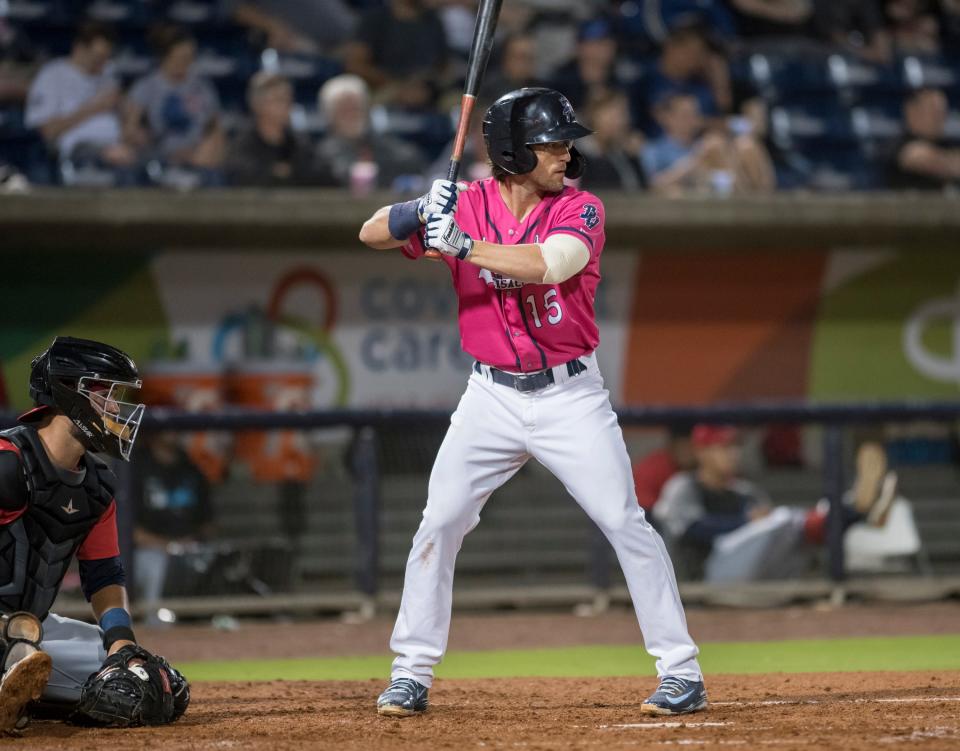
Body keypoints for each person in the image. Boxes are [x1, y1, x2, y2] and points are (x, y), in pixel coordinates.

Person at [359, 87, 707, 719]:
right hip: (488, 396)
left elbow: (553, 263)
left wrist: (460, 245)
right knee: (439, 523)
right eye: (552, 142)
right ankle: (410, 673)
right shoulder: (464, 203)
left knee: (624, 521)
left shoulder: (582, 208)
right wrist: (417, 211)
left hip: (570, 394)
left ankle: (681, 671)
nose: (565, 152)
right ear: (514, 149)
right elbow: (370, 232)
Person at [0, 336, 189, 731]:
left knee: (148, 686)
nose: (115, 408)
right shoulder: (8, 463)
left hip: (30, 628)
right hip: (7, 627)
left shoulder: (97, 486)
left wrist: (120, 643)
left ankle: (22, 686)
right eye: (105, 394)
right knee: (18, 645)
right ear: (69, 394)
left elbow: (104, 574)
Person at [654, 425, 898, 582]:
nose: (732, 454)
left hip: (754, 572)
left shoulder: (745, 491)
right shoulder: (683, 486)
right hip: (706, 573)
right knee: (782, 521)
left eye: (735, 447)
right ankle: (855, 509)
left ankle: (851, 509)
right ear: (702, 451)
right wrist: (747, 522)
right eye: (723, 447)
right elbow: (691, 531)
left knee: (791, 531)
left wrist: (760, 525)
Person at [24, 22, 140, 180]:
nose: (103, 63)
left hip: (116, 145)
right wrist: (93, 108)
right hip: (76, 149)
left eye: (106, 58)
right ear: (79, 48)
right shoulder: (52, 75)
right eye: (98, 58)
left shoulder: (107, 74)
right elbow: (48, 131)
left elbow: (127, 112)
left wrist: (130, 120)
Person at [132, 431, 215, 625]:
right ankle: (157, 626)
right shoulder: (136, 468)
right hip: (146, 551)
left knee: (214, 558)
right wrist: (167, 545)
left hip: (187, 546)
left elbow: (208, 522)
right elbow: (127, 528)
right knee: (158, 564)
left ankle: (207, 623)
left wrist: (191, 540)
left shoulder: (190, 468)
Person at [126, 26, 225, 187]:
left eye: (190, 57)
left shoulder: (202, 86)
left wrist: (207, 152)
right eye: (181, 58)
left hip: (197, 158)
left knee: (214, 177)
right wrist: (143, 139)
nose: (186, 63)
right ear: (165, 56)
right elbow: (130, 131)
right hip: (160, 159)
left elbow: (216, 129)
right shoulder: (146, 87)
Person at [225, 71, 337, 187]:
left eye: (289, 99)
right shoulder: (242, 145)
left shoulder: (298, 142)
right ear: (257, 105)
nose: (287, 106)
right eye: (279, 100)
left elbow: (324, 176)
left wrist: (289, 172)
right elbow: (244, 178)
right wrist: (279, 174)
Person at [315, 74, 424, 192]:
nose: (351, 115)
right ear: (330, 115)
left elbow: (411, 159)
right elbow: (340, 175)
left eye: (356, 108)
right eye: (344, 109)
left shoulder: (381, 142)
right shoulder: (322, 152)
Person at [885, 87, 960, 190]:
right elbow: (925, 160)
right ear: (911, 111)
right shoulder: (898, 144)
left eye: (942, 113)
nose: (938, 119)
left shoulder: (946, 143)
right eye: (932, 112)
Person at [578, 89, 647, 192]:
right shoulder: (580, 157)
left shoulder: (626, 155)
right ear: (594, 116)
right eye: (613, 115)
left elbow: (641, 189)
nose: (621, 121)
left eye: (623, 114)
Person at [633, 426, 695, 514]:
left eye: (691, 446)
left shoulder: (703, 468)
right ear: (672, 445)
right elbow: (640, 506)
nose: (687, 452)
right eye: (683, 446)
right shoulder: (654, 467)